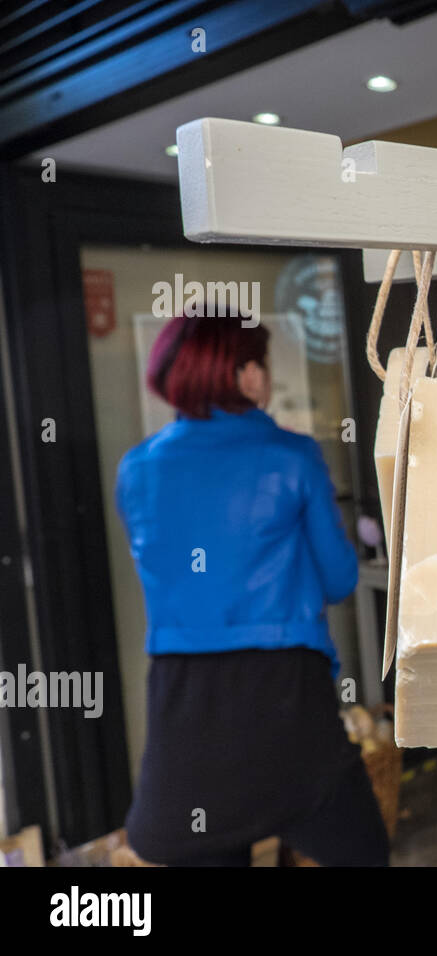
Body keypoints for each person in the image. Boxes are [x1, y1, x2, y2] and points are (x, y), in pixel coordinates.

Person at [116, 312, 388, 866]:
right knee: (360, 852)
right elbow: (338, 579)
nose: (266, 376)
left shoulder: (137, 470)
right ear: (242, 375)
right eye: (260, 363)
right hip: (284, 697)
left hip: (184, 705)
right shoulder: (292, 457)